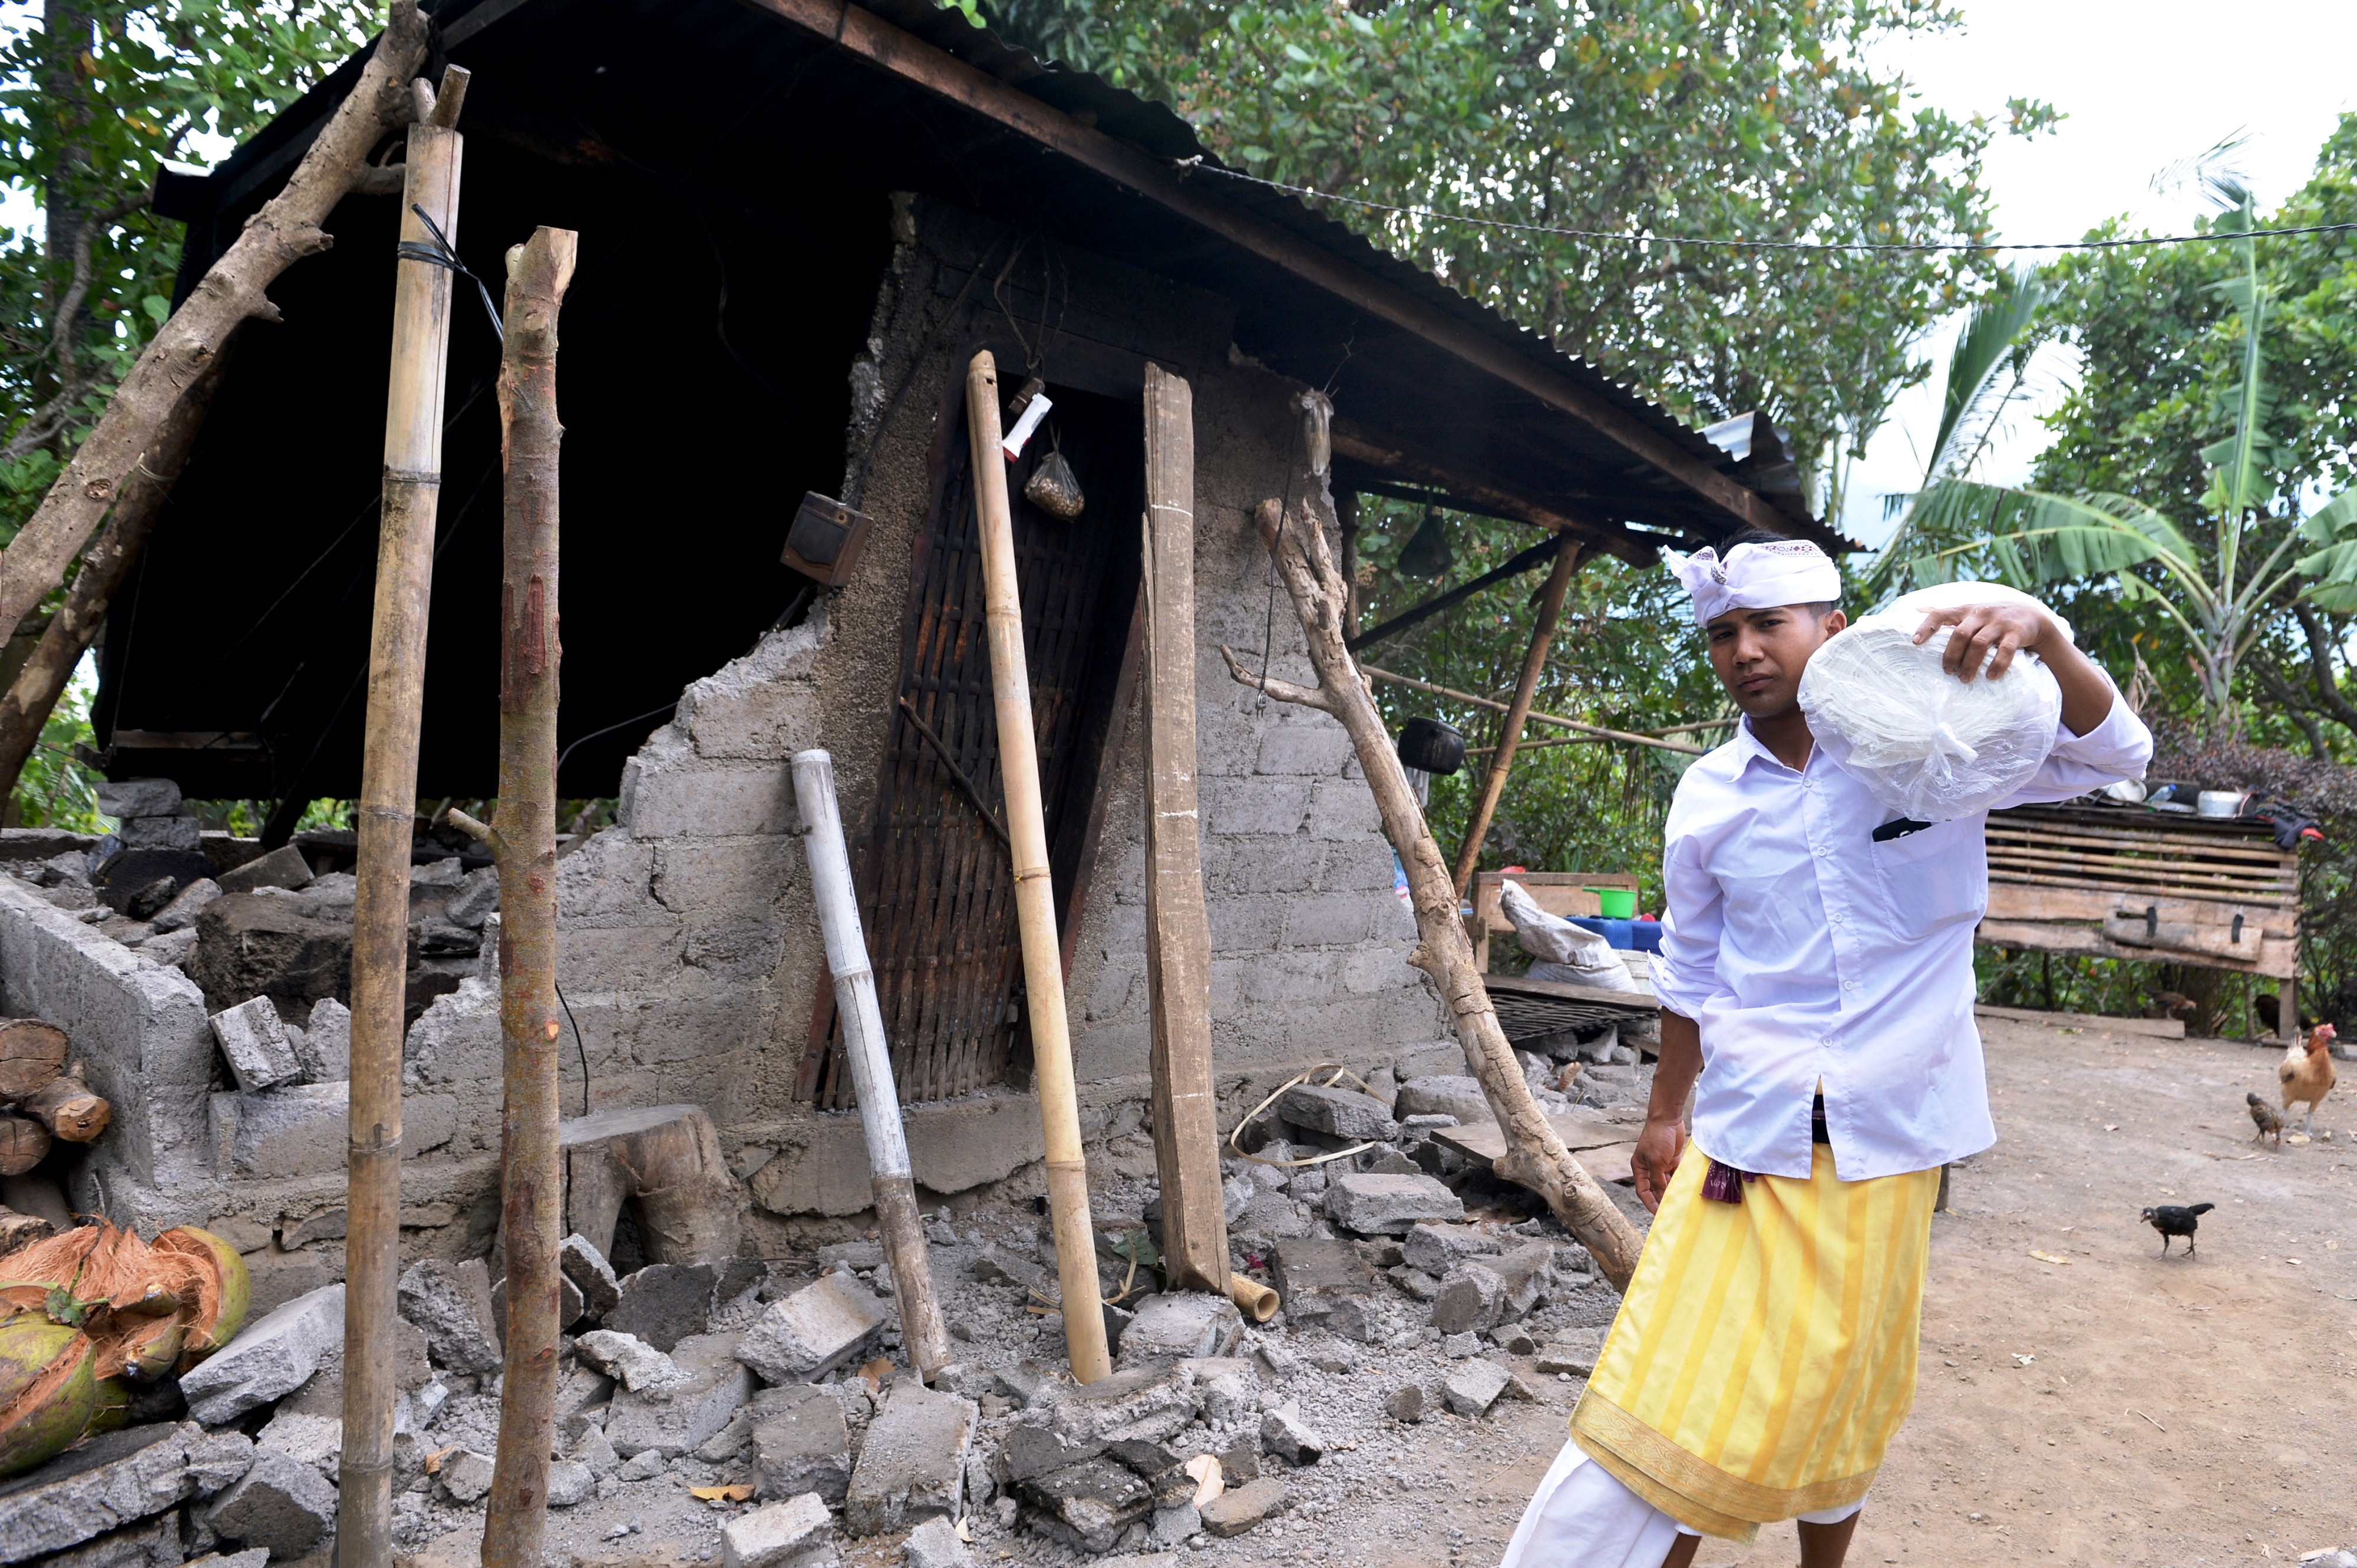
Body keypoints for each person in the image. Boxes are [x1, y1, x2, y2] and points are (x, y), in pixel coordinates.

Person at [1498, 532, 2151, 1567]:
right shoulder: (1709, 794)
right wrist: (1665, 1111)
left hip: (1890, 1133)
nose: (1745, 649)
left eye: (1769, 624)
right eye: (1723, 633)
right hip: (1746, 1133)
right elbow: (1692, 973)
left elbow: (2118, 756)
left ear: (1832, 630)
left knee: (1847, 1375)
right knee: (1682, 1385)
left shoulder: (1936, 749)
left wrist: (2049, 637)